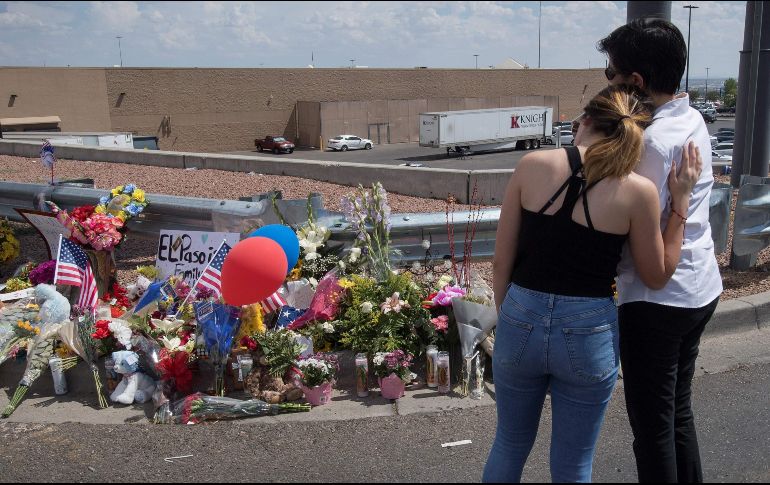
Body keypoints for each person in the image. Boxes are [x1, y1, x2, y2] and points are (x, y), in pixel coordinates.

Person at [482, 84, 702, 483]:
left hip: (521, 315)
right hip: (589, 329)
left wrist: (510, 318)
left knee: (509, 444)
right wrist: (681, 203)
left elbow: (501, 261)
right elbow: (657, 274)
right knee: (573, 465)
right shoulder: (639, 192)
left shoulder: (532, 164)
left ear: (584, 122)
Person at [598, 19, 723, 483]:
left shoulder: (650, 143)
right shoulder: (692, 117)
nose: (607, 83)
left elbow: (634, 231)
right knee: (677, 413)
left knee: (652, 429)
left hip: (658, 302)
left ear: (636, 82)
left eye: (612, 74)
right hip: (700, 286)